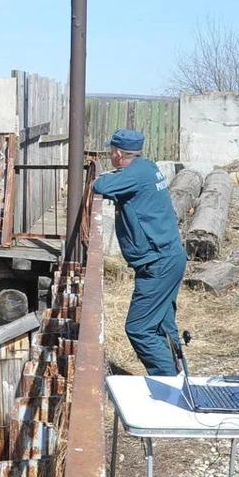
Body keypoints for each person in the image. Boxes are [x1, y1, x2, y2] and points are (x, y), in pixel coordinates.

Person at [91, 128, 184, 375]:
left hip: (158, 263)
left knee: (139, 328)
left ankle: (169, 385)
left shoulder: (134, 175)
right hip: (170, 257)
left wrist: (102, 178)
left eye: (111, 153)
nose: (110, 157)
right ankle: (181, 376)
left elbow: (100, 185)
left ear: (118, 154)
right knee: (164, 325)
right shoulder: (147, 167)